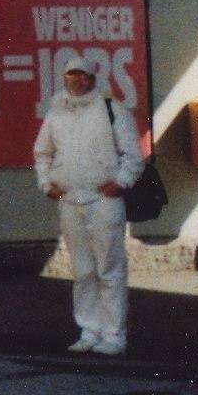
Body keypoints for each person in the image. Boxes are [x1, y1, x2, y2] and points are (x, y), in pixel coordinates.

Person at [33, 64, 144, 355]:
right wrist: (47, 184)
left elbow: (133, 154)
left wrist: (121, 182)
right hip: (70, 201)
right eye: (71, 74)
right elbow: (42, 153)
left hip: (103, 201)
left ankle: (114, 335)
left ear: (92, 79)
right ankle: (89, 329)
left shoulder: (111, 109)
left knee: (109, 268)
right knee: (82, 270)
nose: (77, 80)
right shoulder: (56, 113)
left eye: (84, 75)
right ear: (64, 78)